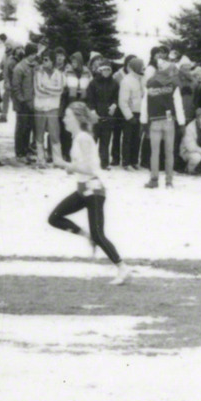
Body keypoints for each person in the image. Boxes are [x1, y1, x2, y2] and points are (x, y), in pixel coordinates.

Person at [50, 101, 130, 286]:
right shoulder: (78, 138)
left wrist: (65, 165)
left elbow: (91, 168)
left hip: (93, 190)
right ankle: (87, 236)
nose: (64, 120)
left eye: (68, 116)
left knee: (99, 234)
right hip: (83, 189)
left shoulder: (83, 138)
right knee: (54, 218)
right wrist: (71, 168)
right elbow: (83, 167)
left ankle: (122, 267)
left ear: (77, 118)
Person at [140, 57, 186, 188]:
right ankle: (169, 180)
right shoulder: (173, 85)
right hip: (169, 121)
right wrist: (181, 123)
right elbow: (178, 105)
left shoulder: (150, 83)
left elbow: (145, 104)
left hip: (154, 121)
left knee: (154, 152)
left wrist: (143, 121)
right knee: (169, 152)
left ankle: (154, 179)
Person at [86, 59, 120, 170]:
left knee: (105, 141)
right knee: (93, 140)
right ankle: (89, 163)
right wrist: (92, 111)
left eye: (108, 69)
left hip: (108, 116)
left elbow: (116, 97)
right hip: (96, 116)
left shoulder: (114, 83)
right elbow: (89, 99)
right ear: (100, 70)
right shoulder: (93, 83)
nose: (106, 72)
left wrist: (114, 105)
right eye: (104, 69)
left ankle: (104, 163)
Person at [33, 49, 65, 167]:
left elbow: (60, 90)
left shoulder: (59, 74)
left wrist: (46, 87)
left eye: (46, 59)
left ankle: (57, 160)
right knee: (39, 133)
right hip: (40, 107)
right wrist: (51, 90)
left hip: (52, 108)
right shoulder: (38, 73)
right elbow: (38, 91)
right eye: (43, 59)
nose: (44, 62)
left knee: (54, 134)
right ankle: (40, 160)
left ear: (52, 61)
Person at [61, 51, 93, 161]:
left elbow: (90, 87)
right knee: (69, 129)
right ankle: (67, 153)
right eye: (72, 61)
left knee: (81, 128)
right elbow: (63, 86)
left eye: (75, 61)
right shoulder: (67, 71)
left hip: (82, 101)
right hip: (70, 100)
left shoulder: (87, 72)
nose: (74, 63)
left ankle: (81, 154)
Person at [11, 43, 39, 163]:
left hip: (33, 103)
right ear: (27, 54)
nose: (34, 56)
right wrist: (21, 100)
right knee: (21, 127)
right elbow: (15, 86)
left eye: (35, 54)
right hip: (22, 103)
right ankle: (19, 152)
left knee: (29, 127)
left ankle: (26, 149)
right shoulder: (20, 67)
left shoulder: (36, 66)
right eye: (32, 54)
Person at [118, 57, 145, 171]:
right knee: (128, 138)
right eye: (141, 66)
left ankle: (134, 160)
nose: (143, 68)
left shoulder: (142, 79)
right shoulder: (127, 80)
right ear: (135, 67)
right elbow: (122, 101)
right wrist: (129, 116)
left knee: (137, 138)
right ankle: (126, 162)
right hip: (130, 114)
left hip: (140, 112)